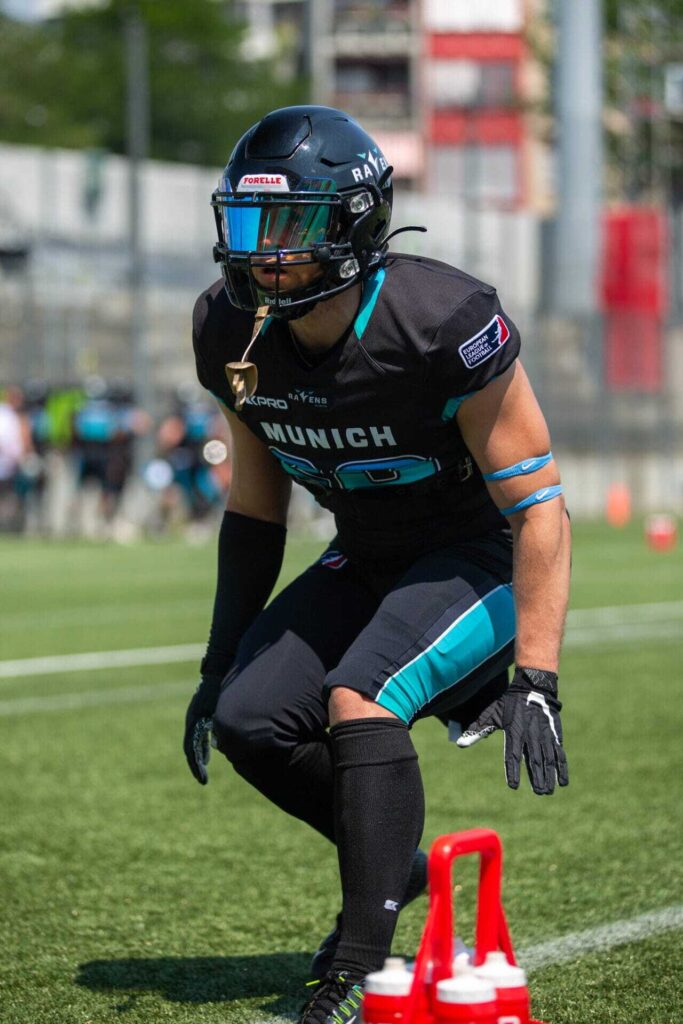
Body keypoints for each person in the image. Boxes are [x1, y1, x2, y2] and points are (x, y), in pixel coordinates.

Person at [184, 105, 570, 1024]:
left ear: (355, 221)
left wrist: (539, 677)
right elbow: (252, 507)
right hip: (363, 555)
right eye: (250, 223)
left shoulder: (439, 321)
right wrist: (215, 662)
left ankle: (355, 963)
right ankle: (391, 861)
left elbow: (538, 508)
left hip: (475, 558)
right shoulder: (228, 331)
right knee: (249, 719)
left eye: (293, 224)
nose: (265, 250)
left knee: (360, 697)